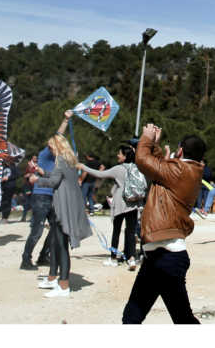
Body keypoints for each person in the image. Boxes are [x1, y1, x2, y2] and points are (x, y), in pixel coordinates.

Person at [121, 123, 206, 324]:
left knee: (182, 319)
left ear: (181, 150)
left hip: (167, 258)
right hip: (160, 257)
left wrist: (146, 138)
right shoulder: (186, 170)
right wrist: (155, 145)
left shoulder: (181, 170)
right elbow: (159, 168)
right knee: (133, 317)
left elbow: (143, 161)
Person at [30, 133, 91, 298]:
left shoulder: (61, 160)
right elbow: (58, 178)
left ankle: (63, 285)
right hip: (67, 205)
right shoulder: (68, 160)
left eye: (50, 147)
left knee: (61, 246)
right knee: (57, 244)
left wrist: (36, 180)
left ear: (57, 146)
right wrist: (43, 172)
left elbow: (53, 183)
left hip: (63, 207)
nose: (50, 151)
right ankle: (54, 279)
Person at [20, 112, 70, 270]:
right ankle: (26, 260)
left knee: (56, 230)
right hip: (41, 196)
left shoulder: (60, 159)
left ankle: (43, 256)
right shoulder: (46, 154)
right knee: (37, 231)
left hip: (54, 197)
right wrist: (66, 120)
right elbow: (58, 135)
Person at [78, 144, 141, 269]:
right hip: (133, 204)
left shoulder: (118, 169)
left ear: (124, 156)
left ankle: (113, 258)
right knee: (130, 232)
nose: (117, 155)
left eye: (120, 154)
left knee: (116, 231)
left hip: (120, 204)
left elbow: (99, 174)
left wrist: (83, 166)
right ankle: (132, 258)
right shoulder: (136, 168)